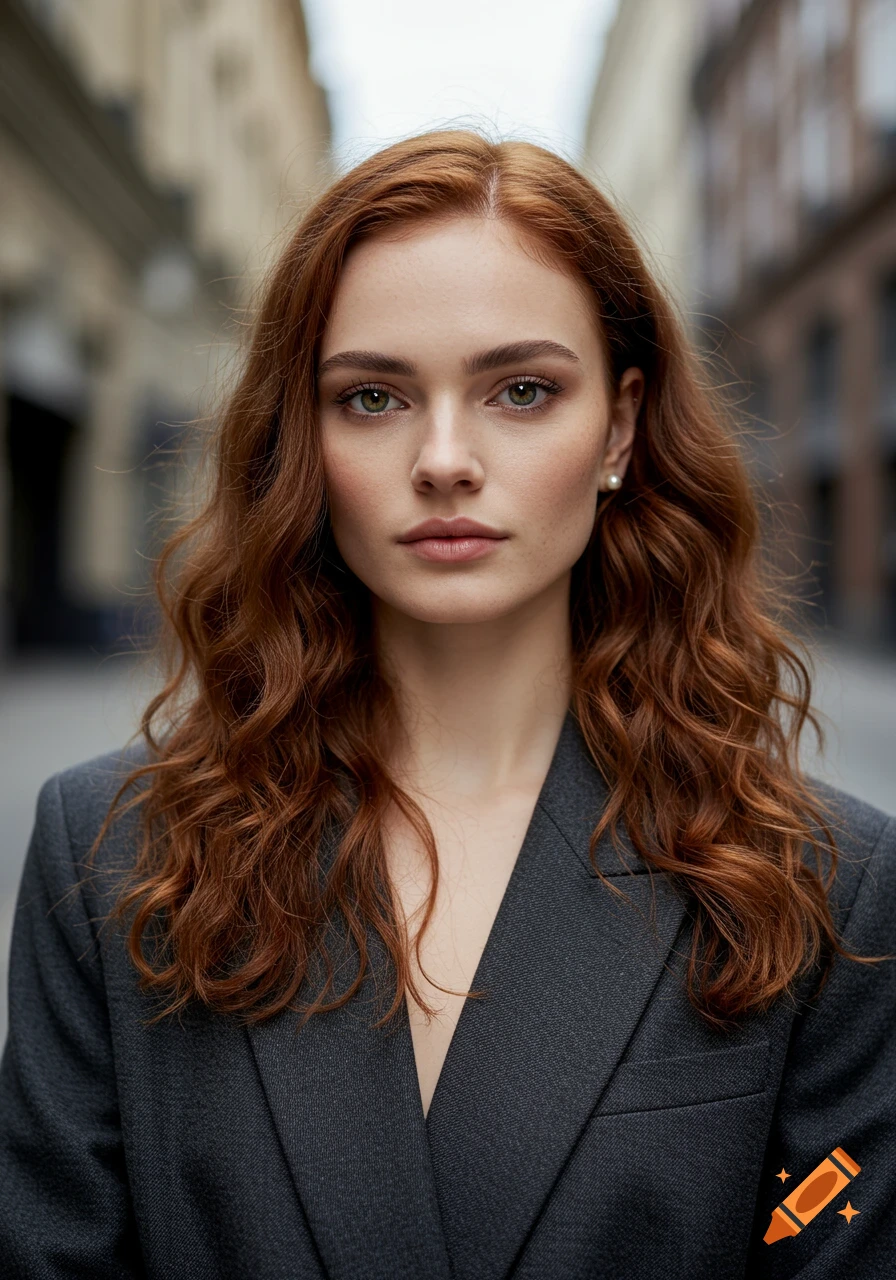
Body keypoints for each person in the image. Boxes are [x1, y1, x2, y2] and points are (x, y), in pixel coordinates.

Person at [1, 128, 894, 1280]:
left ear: (620, 426)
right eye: (372, 396)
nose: (443, 457)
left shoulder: (818, 885)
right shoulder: (111, 857)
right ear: (305, 438)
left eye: (521, 390)